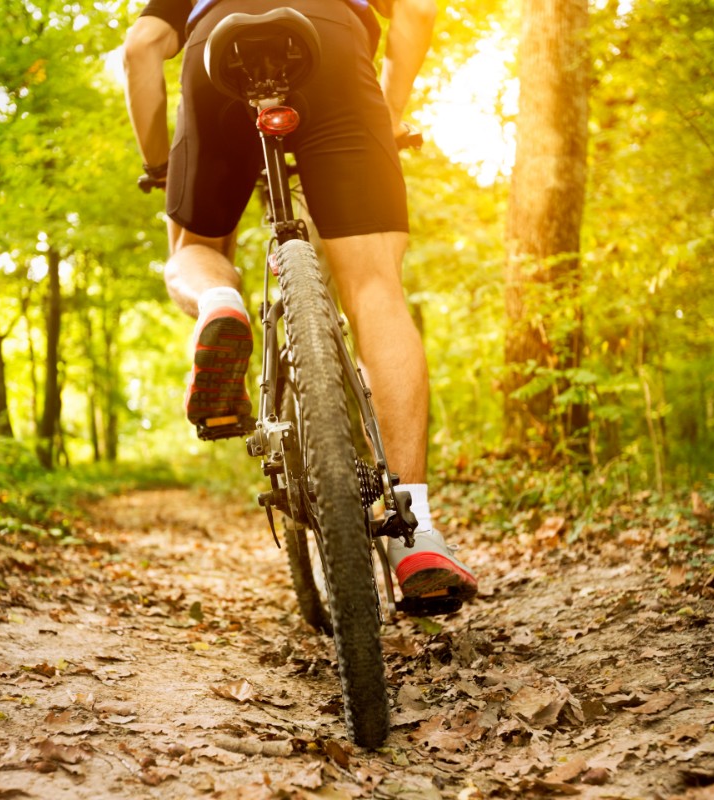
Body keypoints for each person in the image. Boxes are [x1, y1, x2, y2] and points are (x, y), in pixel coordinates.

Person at [122, 0, 478, 611]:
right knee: (375, 286)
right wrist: (386, 116)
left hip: (217, 53)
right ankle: (415, 531)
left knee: (194, 247)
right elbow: (418, 11)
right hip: (333, 48)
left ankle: (219, 301)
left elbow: (140, 49)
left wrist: (160, 163)